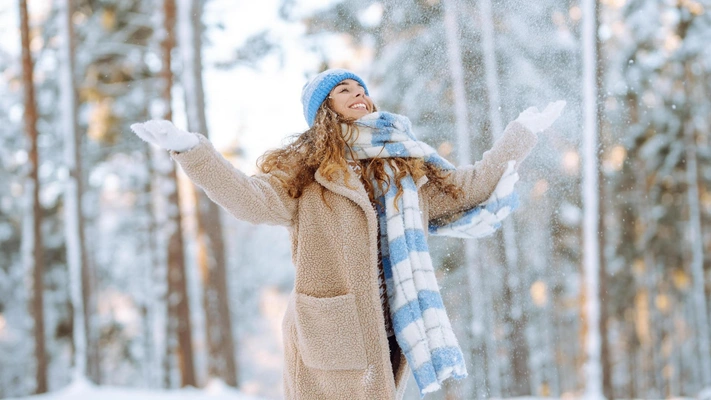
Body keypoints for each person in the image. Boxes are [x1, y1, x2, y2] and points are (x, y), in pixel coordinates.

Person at [131, 68, 565, 399]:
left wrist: (521, 134)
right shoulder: (307, 173)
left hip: (387, 324)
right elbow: (248, 197)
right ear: (325, 109)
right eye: (344, 90)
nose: (359, 93)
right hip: (331, 329)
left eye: (361, 88)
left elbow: (469, 186)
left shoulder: (402, 173)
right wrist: (192, 151)